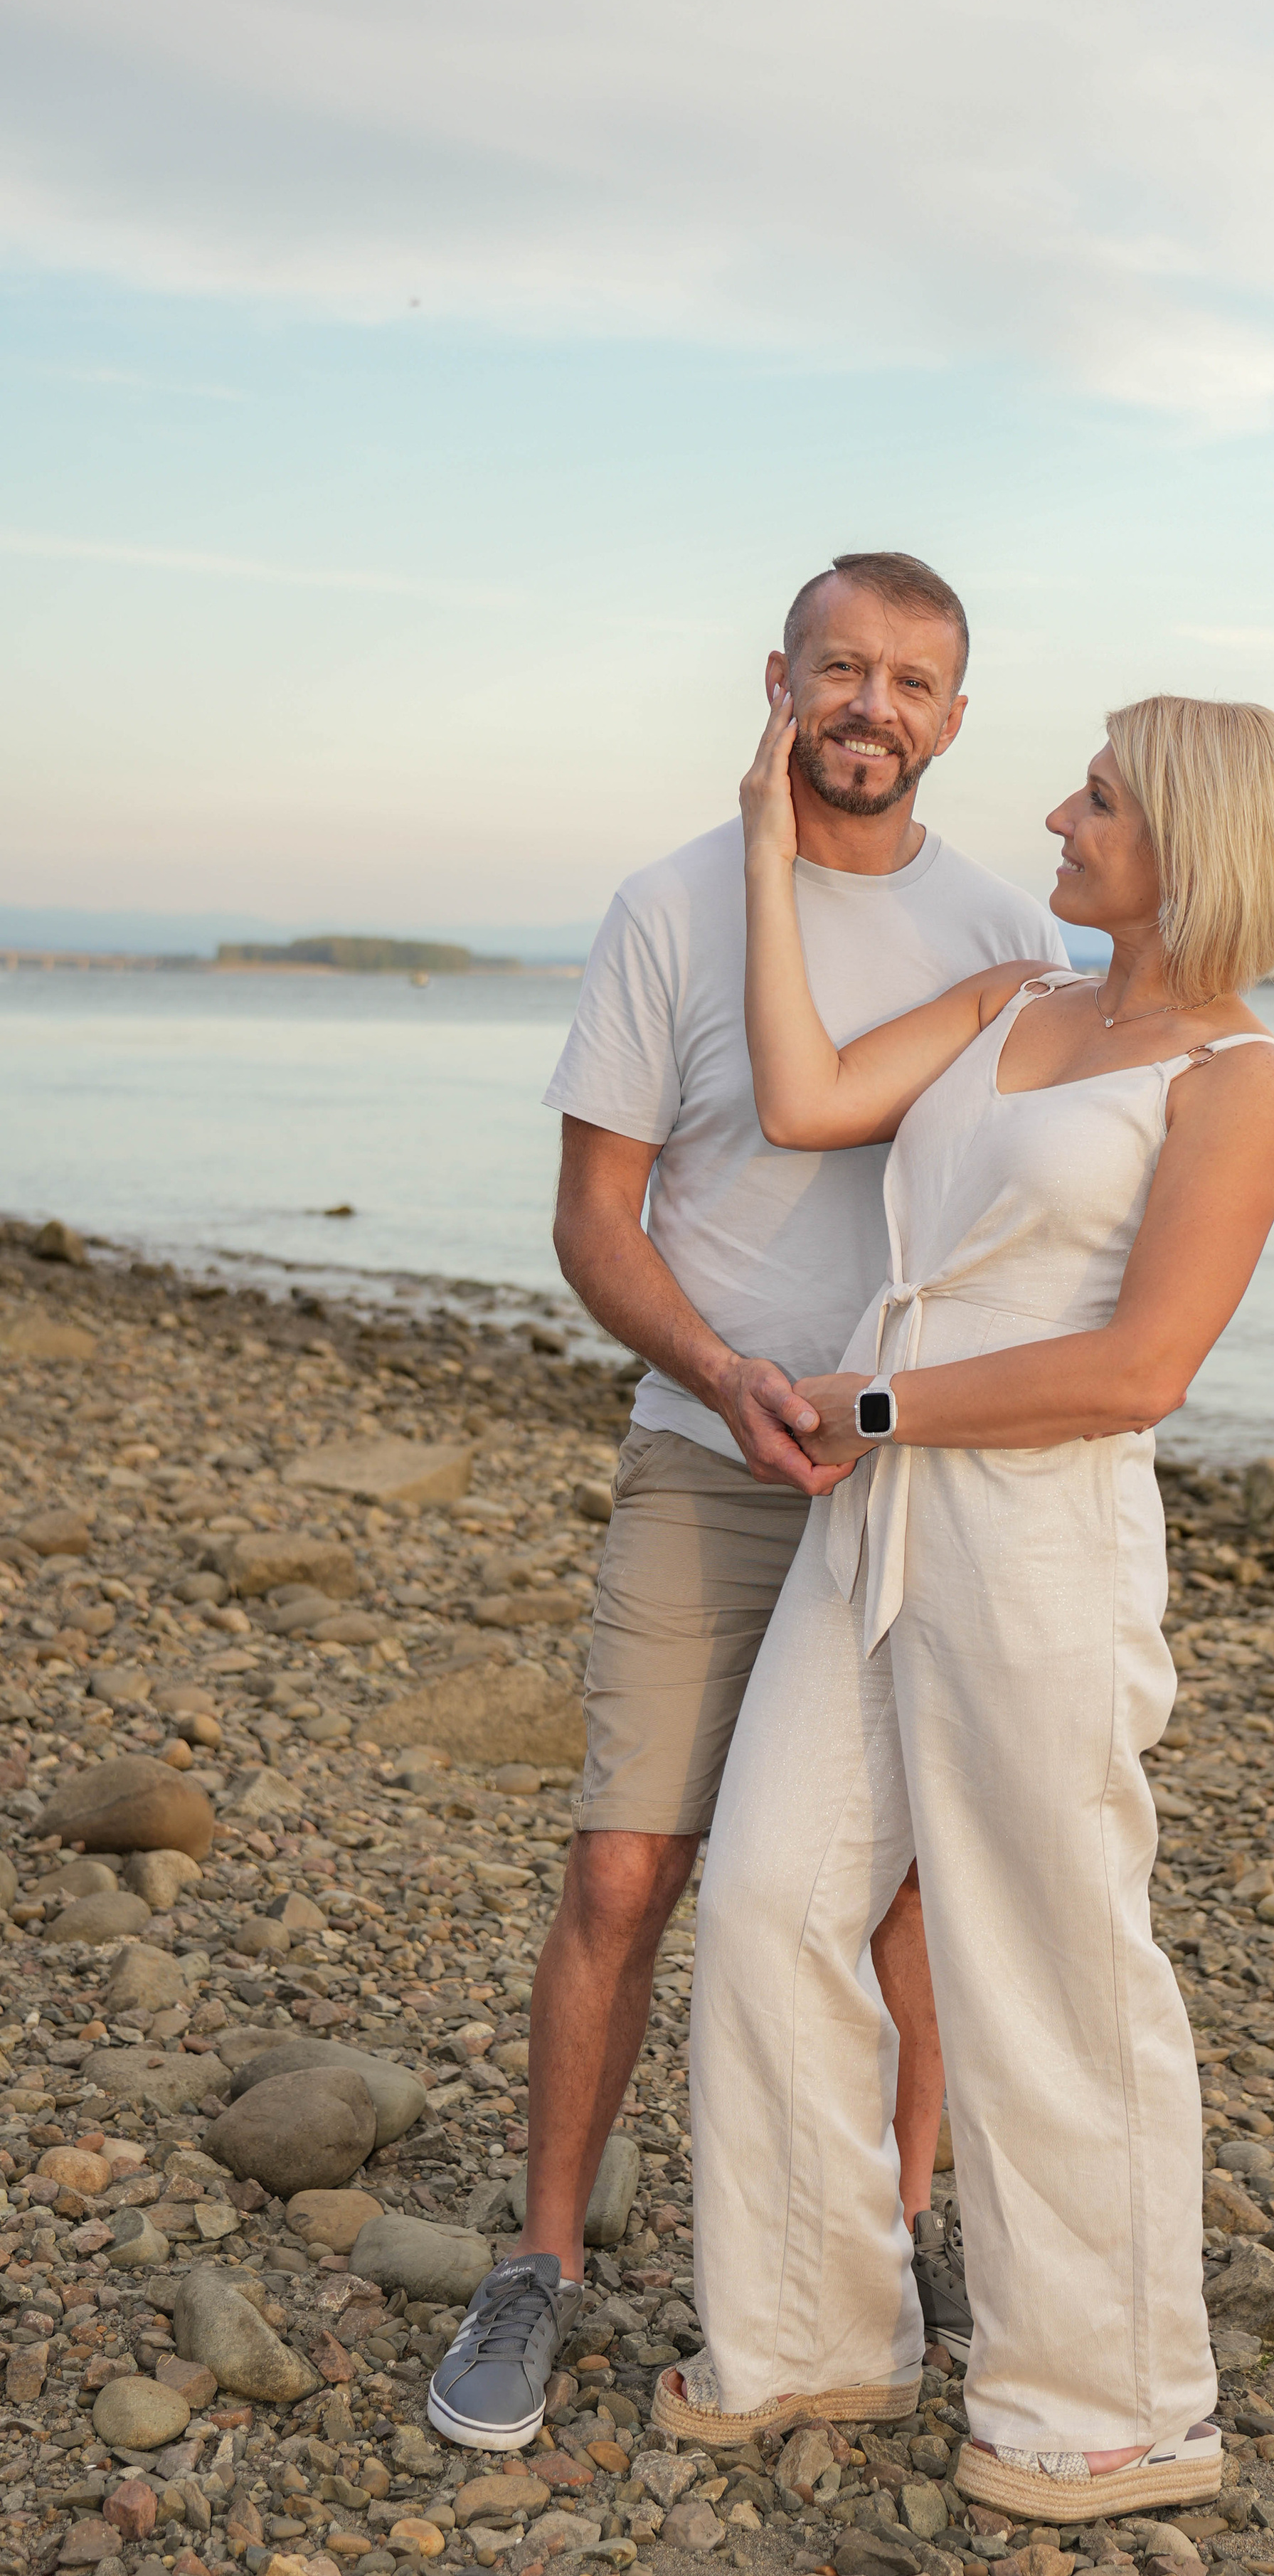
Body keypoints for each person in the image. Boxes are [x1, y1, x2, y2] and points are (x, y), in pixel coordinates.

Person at [427, 552, 1066, 2452]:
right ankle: (540, 2264)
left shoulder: (1007, 931)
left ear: (958, 717)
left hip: (912, 1488)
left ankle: (888, 2233)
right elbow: (591, 1222)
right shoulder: (671, 908)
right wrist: (722, 1375)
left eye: (916, 682)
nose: (875, 706)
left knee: (911, 1892)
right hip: (710, 1463)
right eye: (843, 669)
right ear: (779, 680)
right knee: (630, 1864)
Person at [664, 686, 1274, 2523]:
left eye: (1098, 798)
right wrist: (773, 856)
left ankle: (1110, 2410)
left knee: (1050, 1959)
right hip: (870, 1526)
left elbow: (1138, 1369)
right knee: (775, 1895)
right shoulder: (1015, 997)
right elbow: (803, 1096)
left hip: (1031, 1539)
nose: (1057, 814)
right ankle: (809, 2333)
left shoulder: (1236, 1080)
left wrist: (870, 1405)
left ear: (1187, 839)